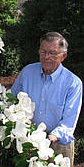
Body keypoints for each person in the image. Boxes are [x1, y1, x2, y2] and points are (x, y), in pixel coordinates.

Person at [11, 32, 82, 166]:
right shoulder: (27, 73)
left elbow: (68, 123)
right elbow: (11, 100)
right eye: (43, 52)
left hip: (58, 145)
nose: (46, 57)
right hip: (28, 139)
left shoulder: (73, 83)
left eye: (52, 53)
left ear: (63, 56)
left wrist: (46, 140)